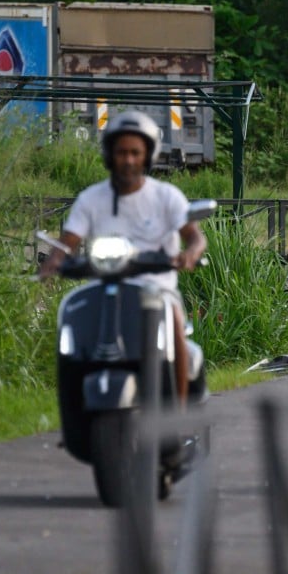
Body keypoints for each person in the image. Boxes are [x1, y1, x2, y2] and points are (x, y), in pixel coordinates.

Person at [39, 110, 207, 403]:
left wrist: (190, 253)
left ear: (147, 156)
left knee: (177, 324)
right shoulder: (91, 198)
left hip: (158, 289)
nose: (128, 160)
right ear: (109, 155)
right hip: (104, 286)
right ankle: (76, 414)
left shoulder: (166, 196)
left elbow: (194, 235)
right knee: (73, 331)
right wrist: (55, 259)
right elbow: (69, 241)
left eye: (135, 152)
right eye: (121, 152)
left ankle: (177, 416)